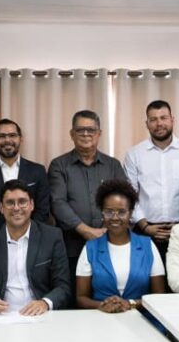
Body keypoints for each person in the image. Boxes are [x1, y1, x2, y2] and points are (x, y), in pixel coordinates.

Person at [0, 180, 71, 315]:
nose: (16, 208)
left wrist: (45, 303)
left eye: (22, 202)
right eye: (10, 203)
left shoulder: (52, 237)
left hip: (40, 315)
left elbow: (63, 287)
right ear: (1, 208)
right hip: (0, 317)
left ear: (32, 205)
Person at [49, 109, 127, 275]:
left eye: (91, 130)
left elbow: (124, 200)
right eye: (80, 130)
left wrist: (107, 230)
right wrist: (85, 230)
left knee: (108, 289)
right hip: (71, 247)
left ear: (99, 134)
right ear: (72, 134)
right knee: (74, 290)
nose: (86, 134)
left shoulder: (113, 165)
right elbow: (58, 202)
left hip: (110, 243)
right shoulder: (58, 165)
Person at [124, 100, 179, 261]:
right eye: (153, 119)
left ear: (172, 120)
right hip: (145, 231)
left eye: (163, 118)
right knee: (146, 276)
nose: (159, 123)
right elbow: (130, 194)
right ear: (147, 124)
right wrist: (145, 226)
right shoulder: (134, 154)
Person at [75, 179, 165, 313]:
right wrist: (102, 305)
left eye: (121, 212)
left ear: (130, 213)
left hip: (140, 319)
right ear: (102, 213)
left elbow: (159, 297)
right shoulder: (90, 248)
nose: (115, 217)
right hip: (100, 319)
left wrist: (130, 303)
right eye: (109, 212)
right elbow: (81, 298)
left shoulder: (148, 246)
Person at [0, 118, 50, 235]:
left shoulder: (38, 171)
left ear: (21, 139)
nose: (7, 140)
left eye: (12, 135)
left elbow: (43, 211)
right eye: (1, 136)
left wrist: (25, 236)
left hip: (31, 240)